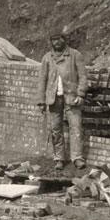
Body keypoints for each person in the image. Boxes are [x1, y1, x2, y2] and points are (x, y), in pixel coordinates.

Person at [34, 30, 87, 170]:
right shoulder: (47, 58)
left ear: (64, 40)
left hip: (71, 97)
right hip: (53, 98)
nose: (56, 42)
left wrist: (81, 94)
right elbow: (42, 80)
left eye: (59, 39)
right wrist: (41, 101)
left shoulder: (75, 55)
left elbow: (83, 77)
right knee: (55, 129)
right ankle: (59, 158)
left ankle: (77, 157)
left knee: (75, 127)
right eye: (53, 40)